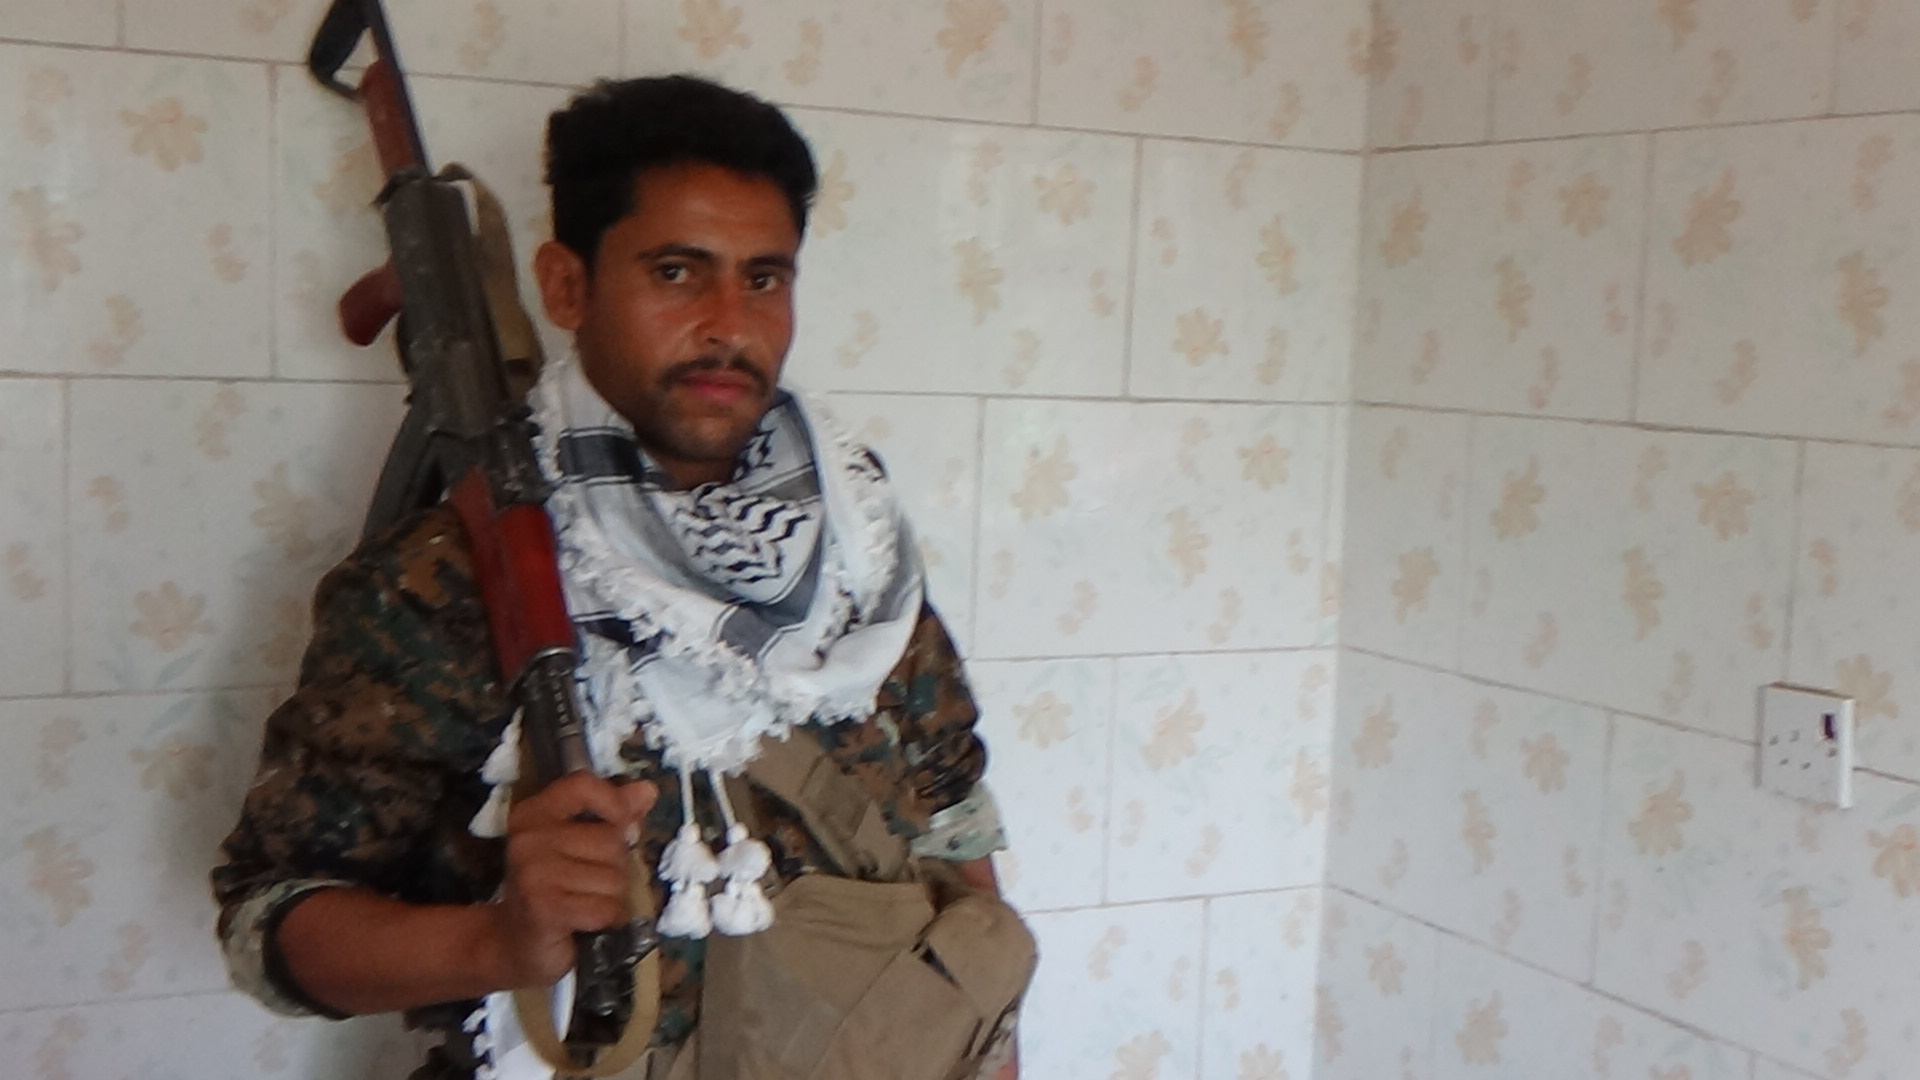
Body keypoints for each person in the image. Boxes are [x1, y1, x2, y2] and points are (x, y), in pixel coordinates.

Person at [211, 75, 1021, 1080]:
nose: (729, 323)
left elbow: (952, 813)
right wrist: (497, 942)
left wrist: (990, 1052)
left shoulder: (856, 539)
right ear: (566, 287)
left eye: (764, 279)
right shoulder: (449, 579)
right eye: (677, 272)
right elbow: (268, 919)